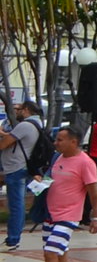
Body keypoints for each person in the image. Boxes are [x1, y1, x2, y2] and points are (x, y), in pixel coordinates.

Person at [24, 126, 97, 262]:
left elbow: (93, 192)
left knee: (51, 252)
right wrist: (41, 182)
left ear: (73, 142)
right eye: (56, 139)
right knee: (60, 252)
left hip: (68, 216)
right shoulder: (58, 158)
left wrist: (95, 217)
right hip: (51, 213)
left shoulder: (85, 163)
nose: (55, 143)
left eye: (60, 140)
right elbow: (53, 179)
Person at [1, 99, 46, 251]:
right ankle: (14, 237)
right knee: (18, 203)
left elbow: (4, 143)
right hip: (23, 167)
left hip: (16, 168)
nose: (17, 112)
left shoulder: (25, 125)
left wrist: (4, 137)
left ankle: (13, 239)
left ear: (26, 110)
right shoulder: (37, 124)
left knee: (16, 205)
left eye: (19, 109)